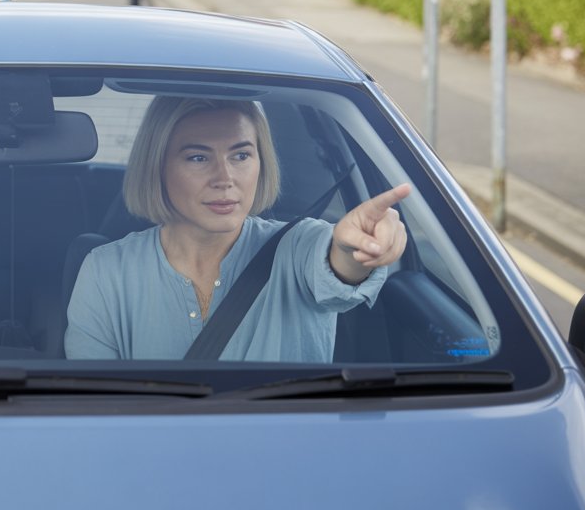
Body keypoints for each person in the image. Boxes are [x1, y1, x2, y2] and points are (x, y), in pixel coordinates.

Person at [64, 96, 410, 362]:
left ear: (262, 162)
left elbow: (336, 265)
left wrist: (355, 251)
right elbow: (96, 411)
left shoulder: (299, 244)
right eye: (198, 158)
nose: (225, 179)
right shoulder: (106, 270)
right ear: (157, 167)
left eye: (241, 156)